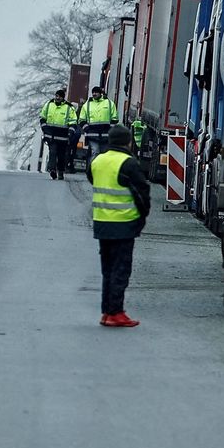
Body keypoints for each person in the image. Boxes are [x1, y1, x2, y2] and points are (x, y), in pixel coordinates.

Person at [91, 125, 150, 327]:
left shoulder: (97, 161)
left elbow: (93, 180)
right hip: (123, 224)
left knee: (107, 270)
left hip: (101, 224)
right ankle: (116, 312)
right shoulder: (128, 163)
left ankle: (107, 312)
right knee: (120, 270)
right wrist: (142, 218)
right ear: (128, 142)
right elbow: (142, 193)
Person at [78, 85, 120, 179]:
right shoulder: (87, 105)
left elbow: (114, 119)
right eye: (93, 92)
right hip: (92, 135)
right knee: (95, 152)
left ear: (101, 93)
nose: (94, 94)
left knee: (105, 154)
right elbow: (81, 120)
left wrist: (111, 130)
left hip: (106, 135)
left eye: (96, 92)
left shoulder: (109, 103)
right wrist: (87, 129)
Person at [39, 89, 77, 180]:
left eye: (59, 96)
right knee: (52, 152)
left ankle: (60, 171)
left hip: (63, 137)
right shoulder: (48, 105)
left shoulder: (69, 108)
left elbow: (73, 122)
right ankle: (52, 170)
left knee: (61, 155)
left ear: (63, 97)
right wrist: (44, 129)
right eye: (56, 96)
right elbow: (42, 117)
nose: (57, 98)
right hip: (51, 135)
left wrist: (70, 133)